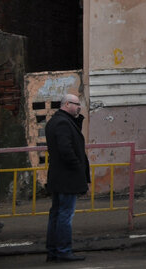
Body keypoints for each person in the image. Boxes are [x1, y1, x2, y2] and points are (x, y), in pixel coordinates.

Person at [44, 93, 90, 262]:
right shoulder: (63, 123)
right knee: (64, 215)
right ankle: (63, 250)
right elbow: (66, 150)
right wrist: (78, 169)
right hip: (67, 178)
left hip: (58, 177)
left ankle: (53, 251)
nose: (79, 107)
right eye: (76, 104)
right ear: (66, 104)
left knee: (56, 214)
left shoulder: (56, 121)